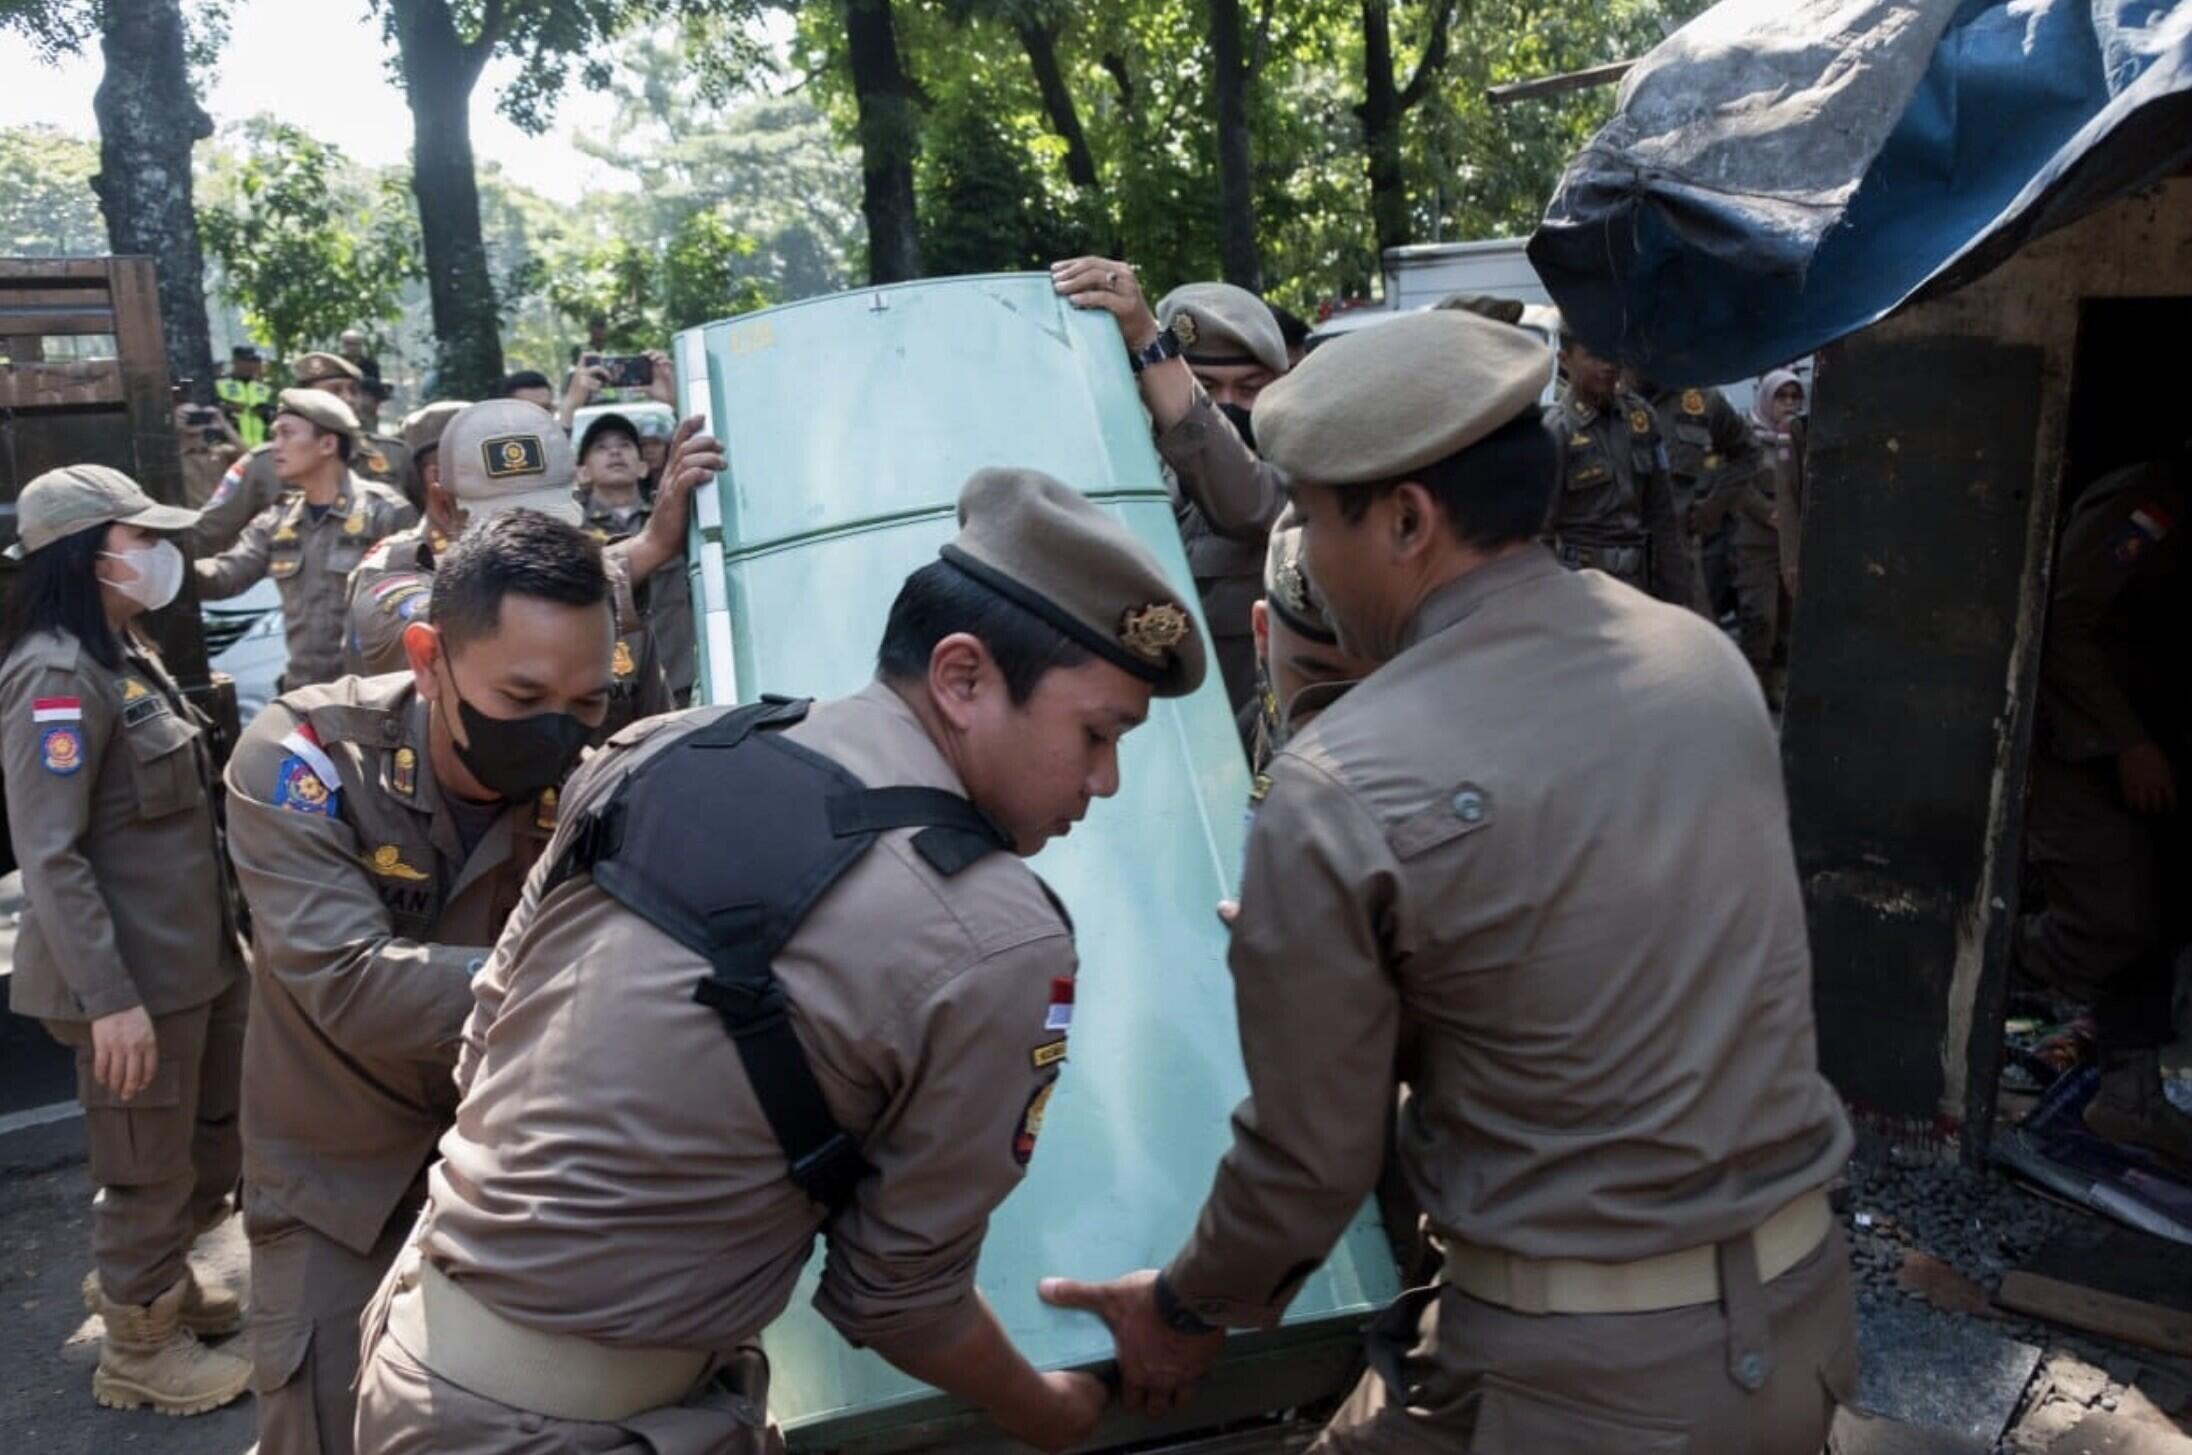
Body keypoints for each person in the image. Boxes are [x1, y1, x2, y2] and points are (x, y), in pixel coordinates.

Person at [1041, 310, 1857, 1452]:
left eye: (1315, 520)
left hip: (1573, 1388)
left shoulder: (1344, 781)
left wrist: (1182, 1309)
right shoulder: (1697, 661)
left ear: (1407, 521)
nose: (1309, 555)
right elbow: (1621, 984)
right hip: (1800, 1319)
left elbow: (1306, 1168)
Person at [351, 466, 1204, 1454]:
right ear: (962, 677)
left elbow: (489, 1029)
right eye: (1096, 734)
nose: (1103, 780)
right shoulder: (996, 934)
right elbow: (895, 1299)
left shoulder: (661, 748)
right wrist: (1046, 1411)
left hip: (414, 1355)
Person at [223, 508, 649, 1455]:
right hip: (342, 1181)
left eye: (585, 705)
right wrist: (601, 982)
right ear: (428, 658)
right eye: (524, 694)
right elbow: (350, 983)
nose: (558, 732)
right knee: (329, 1426)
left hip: (516, 1169)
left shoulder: (604, 773)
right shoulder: (306, 760)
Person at [0, 467, 252, 1417]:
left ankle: (161, 1288)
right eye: (137, 535)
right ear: (90, 553)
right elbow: (51, 853)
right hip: (131, 981)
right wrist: (109, 998)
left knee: (206, 1144)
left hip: (193, 960)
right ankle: (141, 1346)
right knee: (145, 1161)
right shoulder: (56, 675)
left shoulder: (121, 651)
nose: (157, 552)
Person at [2018, 441, 2192, 1168]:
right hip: (2088, 750)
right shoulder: (2153, 496)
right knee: (2113, 916)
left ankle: (2130, 1095)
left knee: (2159, 912)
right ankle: (1992, 974)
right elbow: (2067, 624)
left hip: (2150, 742)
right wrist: (2127, 742)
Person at [343, 401, 688, 735]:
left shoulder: (608, 590)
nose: (532, 539)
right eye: (503, 522)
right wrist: (646, 549)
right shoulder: (392, 568)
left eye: (548, 518)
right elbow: (447, 618)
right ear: (445, 506)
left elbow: (657, 741)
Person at [1052, 258, 1289, 725]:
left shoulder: (1302, 476)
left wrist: (1148, 340)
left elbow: (1243, 499)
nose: (1224, 407)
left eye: (1248, 389)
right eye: (1204, 386)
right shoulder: (1130, 473)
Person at [194, 389, 416, 689]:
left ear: (327, 443)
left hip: (374, 696)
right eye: (275, 435)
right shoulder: (278, 519)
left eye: (287, 434)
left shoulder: (385, 513)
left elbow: (416, 609)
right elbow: (225, 576)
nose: (275, 446)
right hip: (305, 694)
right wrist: (170, 562)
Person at [194, 352, 420, 551]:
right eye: (335, 390)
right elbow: (208, 532)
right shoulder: (261, 464)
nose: (349, 398)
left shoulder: (395, 455)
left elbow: (427, 522)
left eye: (353, 390)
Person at [1545, 332, 1705, 610]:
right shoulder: (1557, 431)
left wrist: (1679, 597)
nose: (1607, 365)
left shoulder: (1640, 419)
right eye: (1593, 355)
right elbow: (1541, 533)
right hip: (1582, 592)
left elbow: (1663, 516)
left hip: (1639, 587)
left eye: (1611, 353)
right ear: (1565, 361)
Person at [1245, 505, 1374, 782]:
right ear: (1262, 631)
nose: (1344, 713)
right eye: (1319, 682)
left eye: (1376, 684)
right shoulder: (1227, 755)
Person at [578, 410, 696, 708]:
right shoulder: (573, 530)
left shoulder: (677, 513)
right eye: (601, 447)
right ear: (582, 472)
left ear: (644, 467)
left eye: (625, 445)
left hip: (681, 678)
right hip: (614, 689)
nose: (615, 452)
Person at [1634, 375, 1763, 622]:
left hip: (1679, 559)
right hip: (1617, 561)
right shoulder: (1608, 392)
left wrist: (1714, 507)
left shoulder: (1703, 400)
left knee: (1694, 645)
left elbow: (1749, 452)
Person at [1732, 369, 1806, 703]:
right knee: (1761, 618)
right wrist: (1769, 513)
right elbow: (1738, 482)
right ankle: (1750, 687)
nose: (1788, 404)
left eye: (1794, 397)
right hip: (1755, 543)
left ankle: (1777, 685)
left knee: (1789, 619)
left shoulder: (1801, 438)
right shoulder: (1747, 437)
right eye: (1781, 396)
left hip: (1792, 544)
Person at [216, 344, 274, 449]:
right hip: (232, 447)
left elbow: (274, 414)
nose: (250, 366)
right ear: (235, 362)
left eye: (253, 361)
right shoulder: (220, 384)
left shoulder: (263, 387)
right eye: (246, 361)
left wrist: (266, 412)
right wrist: (227, 407)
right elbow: (213, 408)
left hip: (261, 448)